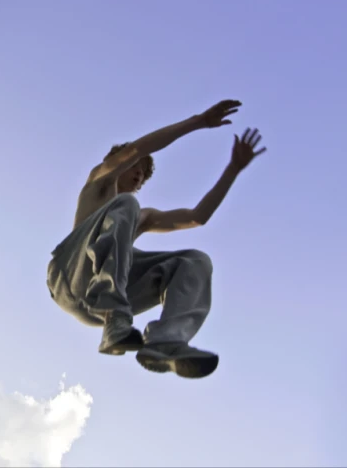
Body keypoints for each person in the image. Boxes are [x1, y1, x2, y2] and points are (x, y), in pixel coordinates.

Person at [46, 100, 266, 379]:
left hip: (96, 311)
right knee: (126, 205)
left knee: (194, 261)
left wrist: (233, 169)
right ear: (115, 163)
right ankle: (114, 311)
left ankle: (166, 341)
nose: (139, 175)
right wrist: (198, 121)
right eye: (135, 167)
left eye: (144, 176)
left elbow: (198, 216)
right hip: (70, 275)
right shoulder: (98, 182)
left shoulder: (138, 215)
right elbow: (137, 149)